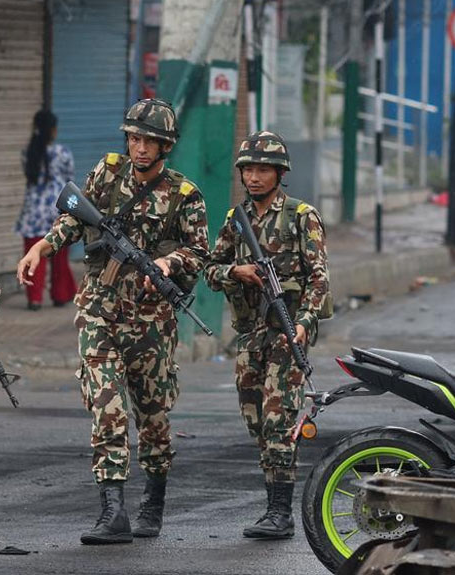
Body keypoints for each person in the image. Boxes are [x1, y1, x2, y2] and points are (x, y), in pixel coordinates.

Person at [16, 99, 209, 544]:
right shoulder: (106, 173)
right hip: (99, 308)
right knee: (107, 407)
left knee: (153, 415)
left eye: (150, 141)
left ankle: (153, 502)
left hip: (151, 321)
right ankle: (112, 511)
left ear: (166, 146)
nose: (140, 148)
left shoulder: (185, 195)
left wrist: (167, 263)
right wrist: (42, 249)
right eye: (135, 139)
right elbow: (72, 218)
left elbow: (199, 253)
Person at [204, 131, 331, 539]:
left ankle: (280, 512)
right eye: (249, 170)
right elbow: (208, 268)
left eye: (263, 170)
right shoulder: (235, 220)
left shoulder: (300, 216)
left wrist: (304, 324)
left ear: (280, 173)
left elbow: (319, 280)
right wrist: (235, 272)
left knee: (279, 419)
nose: (255, 177)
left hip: (286, 333)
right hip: (250, 335)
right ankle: (273, 502)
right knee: (255, 418)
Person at [15, 109, 77, 310]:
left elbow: (28, 175)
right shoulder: (63, 152)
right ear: (53, 130)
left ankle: (34, 298)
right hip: (57, 210)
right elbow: (70, 178)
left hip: (32, 213)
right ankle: (60, 295)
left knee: (33, 256)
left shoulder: (28, 152)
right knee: (59, 257)